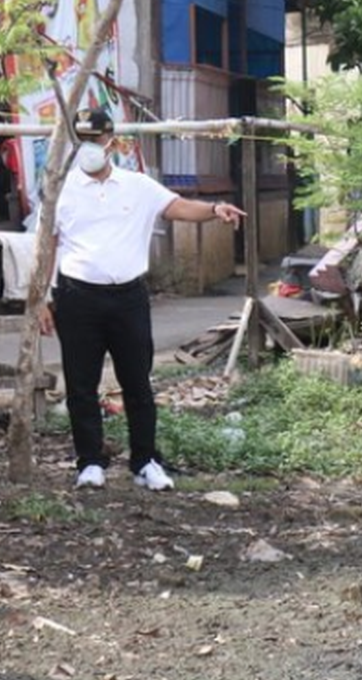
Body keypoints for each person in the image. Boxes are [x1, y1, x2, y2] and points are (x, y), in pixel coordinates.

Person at [41, 108, 245, 491]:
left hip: (128, 296)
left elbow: (178, 206)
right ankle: (89, 462)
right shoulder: (60, 189)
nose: (91, 147)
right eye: (83, 139)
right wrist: (39, 299)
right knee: (81, 386)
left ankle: (145, 461)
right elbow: (46, 245)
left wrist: (214, 210)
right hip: (77, 296)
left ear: (112, 141)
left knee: (137, 382)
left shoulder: (138, 186)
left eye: (97, 139)